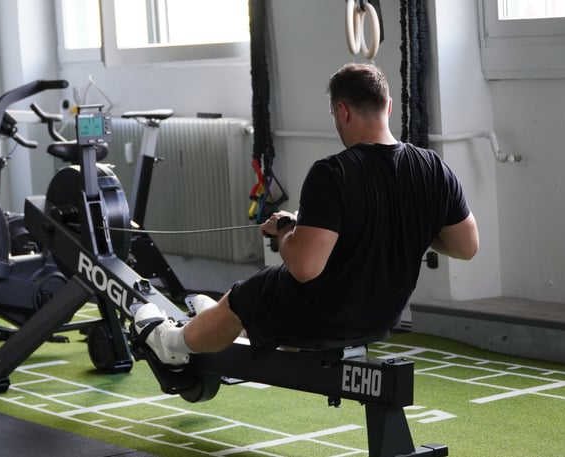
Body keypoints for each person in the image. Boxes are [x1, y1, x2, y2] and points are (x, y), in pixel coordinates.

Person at [134, 62, 479, 366]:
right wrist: (408, 224)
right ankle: (215, 322)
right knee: (249, 300)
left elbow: (304, 268)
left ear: (342, 111)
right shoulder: (433, 167)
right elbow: (465, 247)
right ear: (388, 107)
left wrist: (285, 229)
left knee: (248, 293)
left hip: (325, 318)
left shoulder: (333, 172)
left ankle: (172, 343)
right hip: (383, 316)